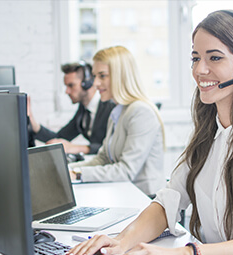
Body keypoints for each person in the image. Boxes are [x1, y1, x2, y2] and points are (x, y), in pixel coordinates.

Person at [66, 11, 233, 255]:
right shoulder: (207, 133)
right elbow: (168, 202)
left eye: (214, 57)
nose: (200, 70)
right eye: (195, 58)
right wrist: (120, 241)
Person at [69, 46, 166, 196]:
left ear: (121, 76)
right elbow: (103, 158)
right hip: (126, 195)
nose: (95, 83)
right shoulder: (118, 111)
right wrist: (68, 169)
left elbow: (126, 171)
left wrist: (78, 174)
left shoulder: (140, 112)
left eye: (102, 76)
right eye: (95, 76)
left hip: (147, 201)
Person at [28, 62, 116, 154]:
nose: (67, 91)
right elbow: (60, 139)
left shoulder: (110, 107)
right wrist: (34, 125)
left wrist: (78, 148)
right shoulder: (84, 110)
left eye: (71, 85)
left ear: (87, 83)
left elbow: (113, 148)